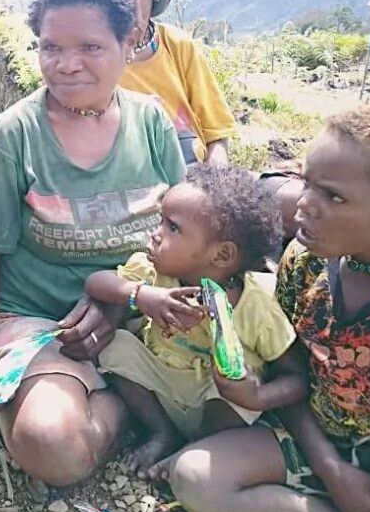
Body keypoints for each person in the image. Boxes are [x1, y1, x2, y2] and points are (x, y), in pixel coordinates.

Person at [166, 103, 370, 512]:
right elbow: (288, 370)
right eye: (305, 183)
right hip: (317, 439)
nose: (304, 204)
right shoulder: (304, 261)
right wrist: (333, 471)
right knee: (194, 477)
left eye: (332, 196)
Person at [0, 0, 186, 487]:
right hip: (46, 324)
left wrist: (118, 298)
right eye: (51, 47)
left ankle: (122, 394)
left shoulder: (151, 123)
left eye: (90, 48)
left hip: (141, 313)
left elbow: (187, 229)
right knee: (50, 445)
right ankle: (125, 408)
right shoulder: (14, 134)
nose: (66, 65)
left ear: (129, 45)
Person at [85, 164, 304, 479]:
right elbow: (96, 282)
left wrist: (256, 397)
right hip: (162, 384)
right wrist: (140, 295)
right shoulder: (155, 274)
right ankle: (161, 432)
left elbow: (296, 377)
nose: (155, 233)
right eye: (160, 220)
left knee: (247, 385)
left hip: (217, 400)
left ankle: (197, 447)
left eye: (172, 228)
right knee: (116, 345)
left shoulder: (255, 306)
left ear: (221, 256)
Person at [88, 0, 236, 166]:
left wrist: (215, 182)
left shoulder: (177, 46)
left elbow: (216, 135)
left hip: (197, 184)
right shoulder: (83, 59)